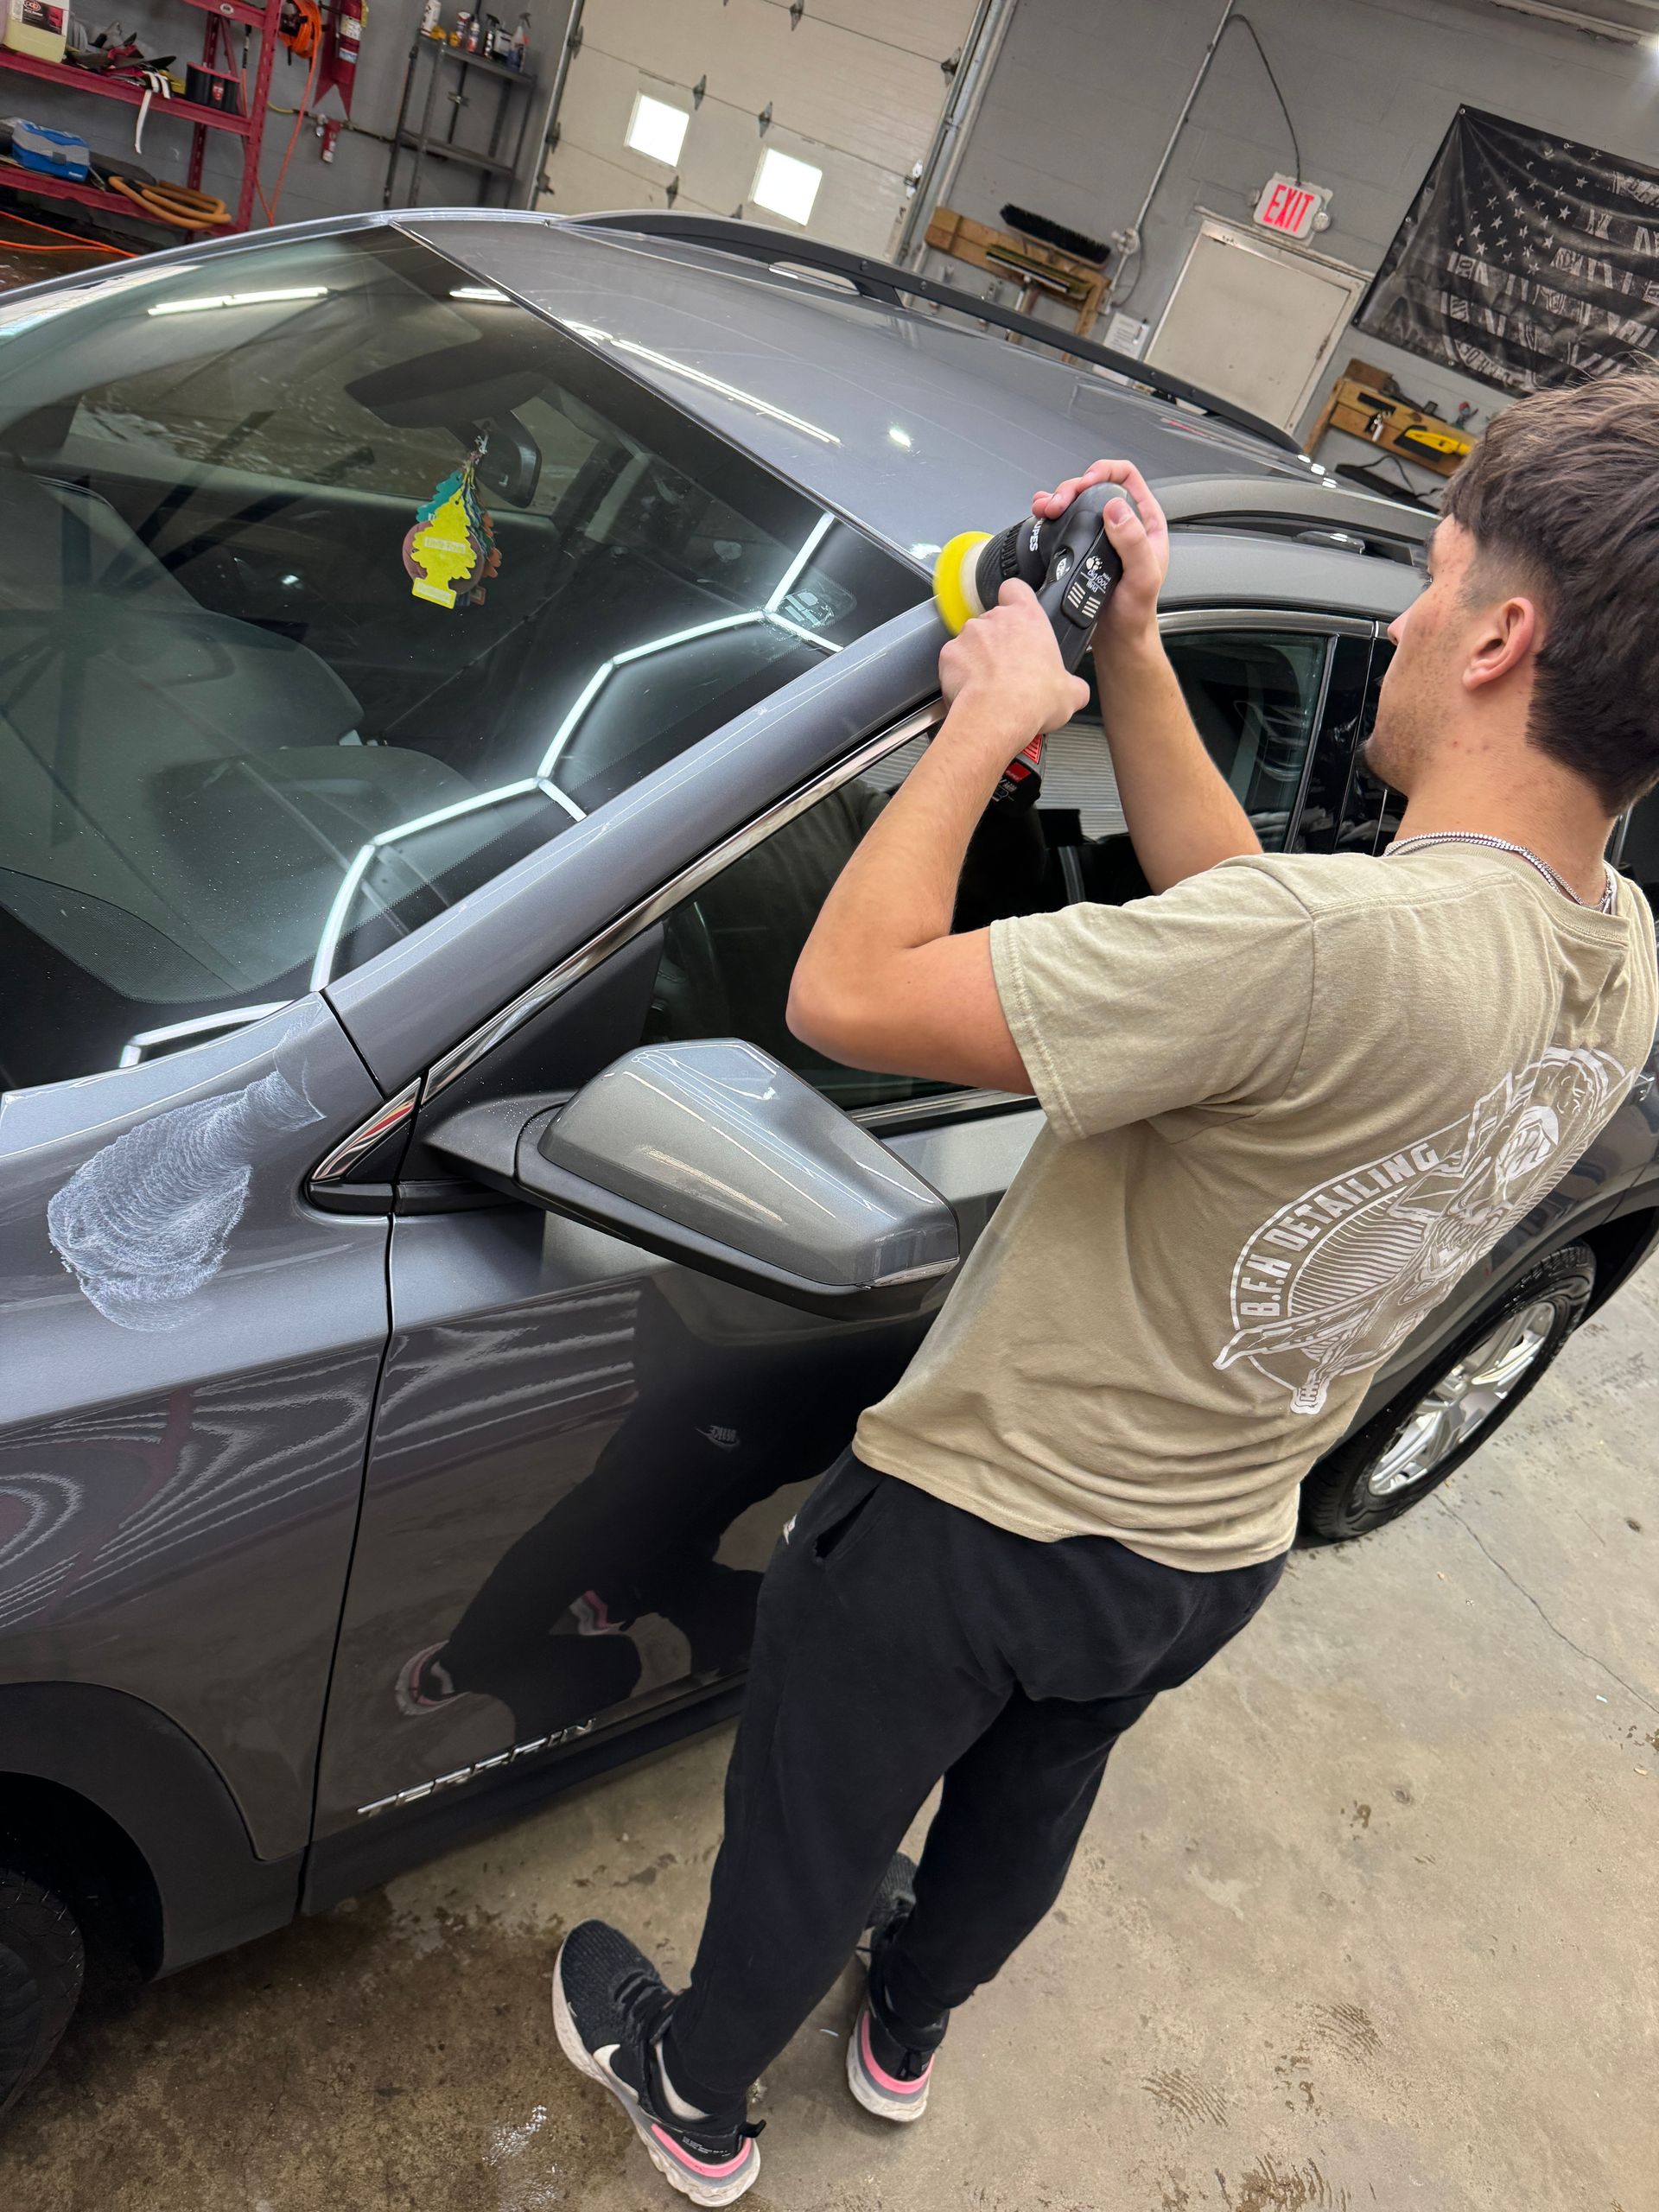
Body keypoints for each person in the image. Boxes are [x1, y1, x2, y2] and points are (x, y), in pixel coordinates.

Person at [550, 375, 1659, 2203]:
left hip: (983, 1515)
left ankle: (695, 2085)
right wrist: (1135, 659)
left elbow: (842, 991)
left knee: (814, 1823)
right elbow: (1268, 967)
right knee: (1026, 1804)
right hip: (1211, 1537)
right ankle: (906, 2032)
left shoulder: (1337, 948)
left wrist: (992, 718)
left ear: (1504, 637)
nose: (1399, 614)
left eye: (1433, 574)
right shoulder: (1611, 950)